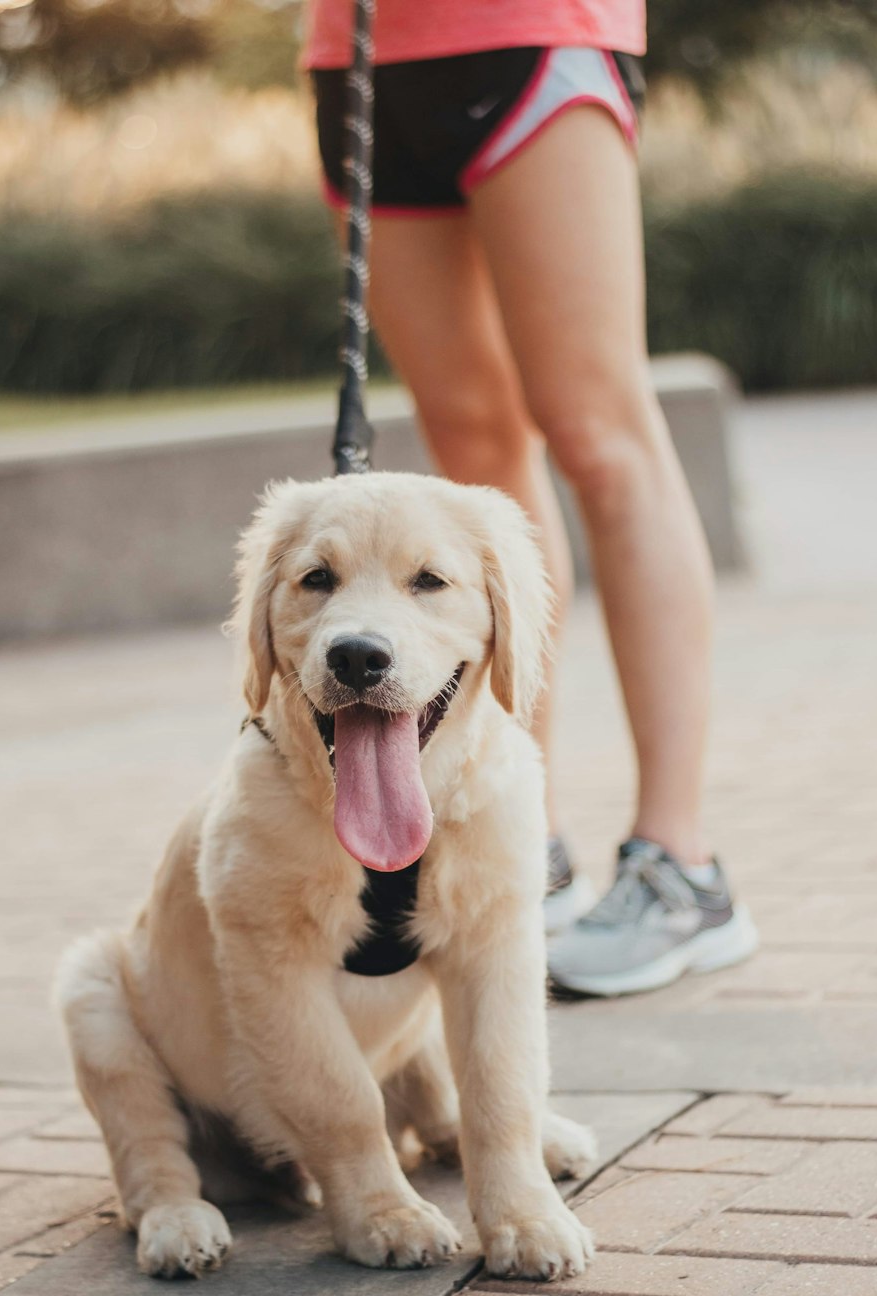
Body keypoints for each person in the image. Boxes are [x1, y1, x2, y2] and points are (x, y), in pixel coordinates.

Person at [305, 1, 758, 995]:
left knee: (597, 431)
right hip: (360, 50)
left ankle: (678, 866)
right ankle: (526, 840)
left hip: (529, 31)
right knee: (471, 443)